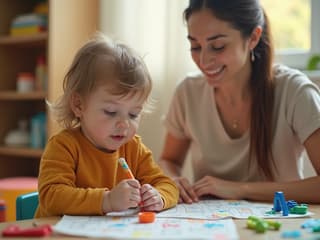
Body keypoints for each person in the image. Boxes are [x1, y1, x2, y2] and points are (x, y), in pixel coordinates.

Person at [159, 0, 320, 204]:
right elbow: (168, 160)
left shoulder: (295, 91)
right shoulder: (188, 92)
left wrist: (239, 189)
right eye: (195, 46)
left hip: (277, 226)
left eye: (217, 46)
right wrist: (173, 179)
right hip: (210, 226)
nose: (204, 60)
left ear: (253, 37)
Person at [35, 34, 178, 217]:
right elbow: (51, 196)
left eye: (134, 114)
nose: (124, 124)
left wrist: (159, 196)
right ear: (79, 105)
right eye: (111, 112)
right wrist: (106, 200)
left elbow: (167, 184)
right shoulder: (64, 146)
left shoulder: (133, 147)